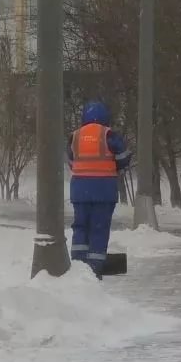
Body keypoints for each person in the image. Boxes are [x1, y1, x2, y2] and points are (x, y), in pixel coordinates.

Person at [68, 101, 131, 276]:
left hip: (80, 191)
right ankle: (95, 266)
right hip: (103, 190)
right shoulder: (109, 134)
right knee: (99, 228)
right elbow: (124, 157)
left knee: (80, 227)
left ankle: (78, 264)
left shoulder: (75, 136)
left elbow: (72, 161)